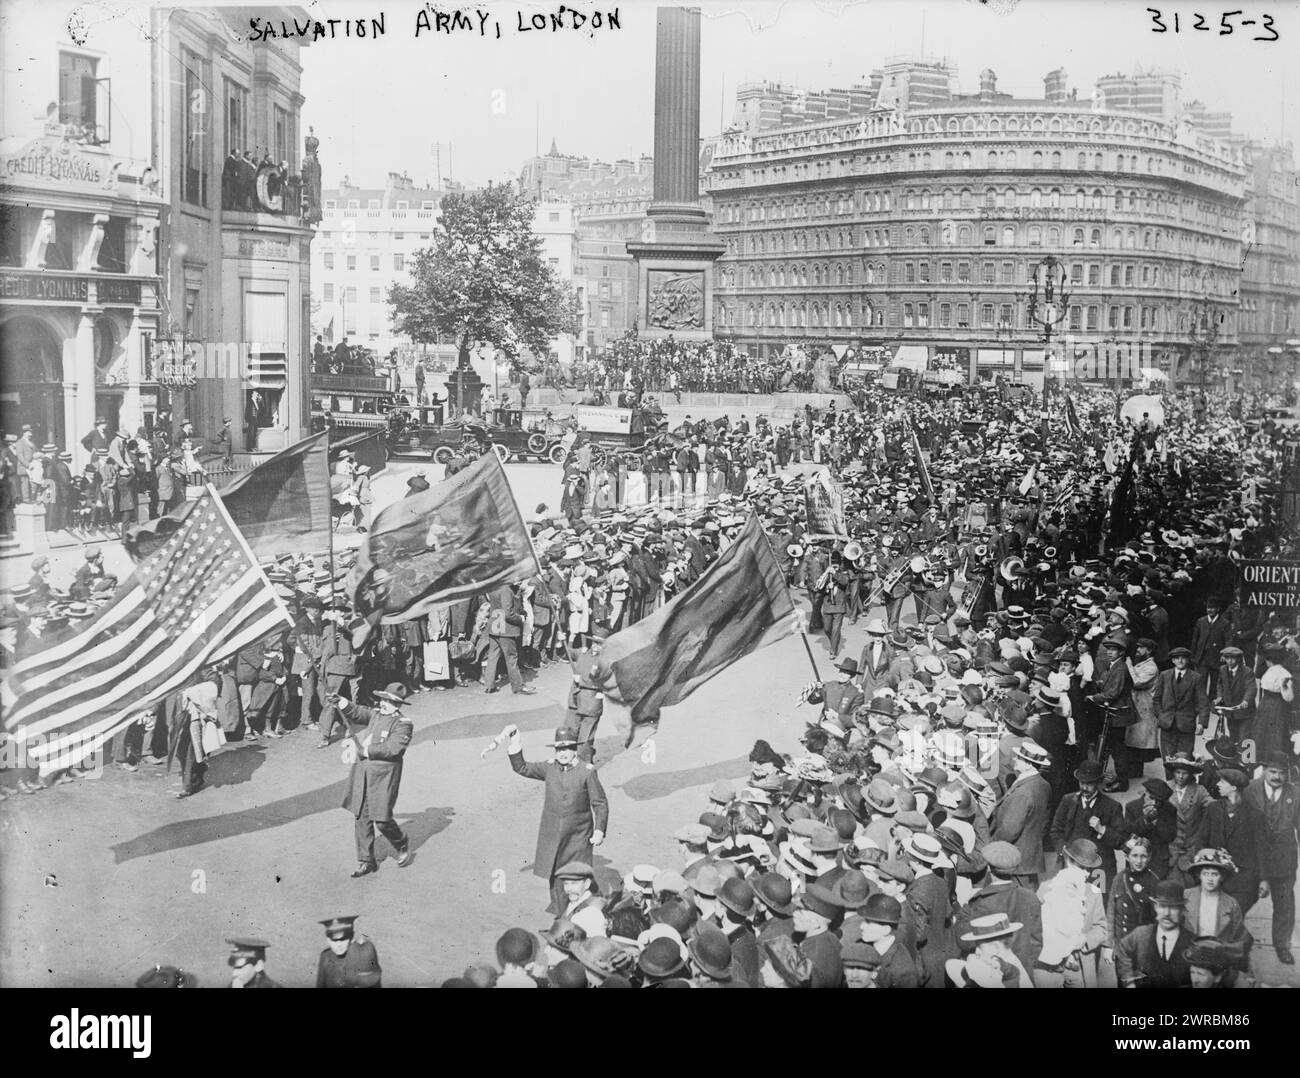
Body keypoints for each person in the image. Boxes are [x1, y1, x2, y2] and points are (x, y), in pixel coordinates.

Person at [505, 724, 609, 914]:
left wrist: (599, 830)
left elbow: (600, 803)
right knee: (556, 875)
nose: (563, 753)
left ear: (574, 750)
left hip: (578, 837)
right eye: (559, 749)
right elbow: (522, 768)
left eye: (567, 748)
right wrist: (515, 743)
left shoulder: (587, 771)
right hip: (553, 834)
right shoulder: (549, 768)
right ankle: (561, 916)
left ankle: (590, 912)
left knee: (579, 874)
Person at [333, 681, 414, 878]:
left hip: (383, 777)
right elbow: (358, 712)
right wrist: (341, 702)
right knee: (361, 816)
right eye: (383, 699)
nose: (383, 703)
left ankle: (400, 842)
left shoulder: (403, 724)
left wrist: (366, 750)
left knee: (383, 820)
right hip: (363, 772)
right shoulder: (376, 714)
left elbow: (393, 749)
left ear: (398, 705)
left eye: (389, 701)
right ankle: (366, 861)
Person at [1244, 750, 1300, 965]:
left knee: (1285, 903)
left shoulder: (1295, 794)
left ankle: (1282, 945)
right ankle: (1234, 937)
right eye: (1273, 772)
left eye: (1282, 773)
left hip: (1284, 857)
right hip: (1252, 855)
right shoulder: (1250, 790)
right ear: (1264, 771)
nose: (1277, 777)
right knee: (1243, 897)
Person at [1034, 838, 1109, 988]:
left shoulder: (1093, 892)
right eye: (1082, 867)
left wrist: (1085, 939)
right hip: (1050, 967)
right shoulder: (1046, 889)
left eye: (1089, 869)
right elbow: (1035, 929)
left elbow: (1101, 928)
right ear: (1068, 861)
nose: (1086, 874)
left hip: (1080, 965)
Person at [1050, 758, 1128, 892]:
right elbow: (1056, 830)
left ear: (1098, 783)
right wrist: (1064, 851)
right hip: (1072, 864)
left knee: (1099, 905)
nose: (1084, 787)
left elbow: (1121, 841)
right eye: (1081, 782)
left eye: (1089, 784)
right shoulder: (1068, 801)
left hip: (1100, 868)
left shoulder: (1112, 807)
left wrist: (1102, 830)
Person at [990, 740, 1053, 885]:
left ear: (1029, 764)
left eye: (1019, 758)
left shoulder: (1024, 792)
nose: (1014, 759)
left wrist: (991, 847)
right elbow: (1044, 822)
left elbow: (1009, 830)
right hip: (1030, 858)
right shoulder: (1044, 785)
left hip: (1015, 861)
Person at [1114, 880, 1195, 988]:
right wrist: (1129, 981)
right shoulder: (1141, 934)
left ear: (1181, 910)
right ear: (1155, 907)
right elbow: (1121, 949)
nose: (1167, 913)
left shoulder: (1192, 943)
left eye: (1173, 907)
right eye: (1162, 906)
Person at [1151, 646, 1210, 761]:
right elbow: (1156, 699)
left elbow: (1203, 703)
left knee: (1184, 760)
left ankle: (1182, 778)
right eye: (1177, 658)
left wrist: (1201, 723)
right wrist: (1161, 715)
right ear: (1173, 660)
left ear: (1188, 660)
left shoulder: (1196, 678)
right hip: (1167, 724)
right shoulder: (1164, 675)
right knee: (1168, 758)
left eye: (1183, 658)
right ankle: (1170, 780)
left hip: (1186, 725)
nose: (1180, 661)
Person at [483, 582, 535, 695]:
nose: (520, 581)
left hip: (495, 626)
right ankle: (518, 686)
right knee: (512, 658)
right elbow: (508, 613)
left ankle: (489, 685)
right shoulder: (507, 590)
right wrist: (520, 618)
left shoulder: (494, 586)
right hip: (506, 629)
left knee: (492, 657)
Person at [315, 915, 382, 988]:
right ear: (328, 939)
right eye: (334, 940)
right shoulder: (326, 956)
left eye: (343, 939)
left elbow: (373, 981)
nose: (339, 944)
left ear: (351, 937)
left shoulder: (362, 955)